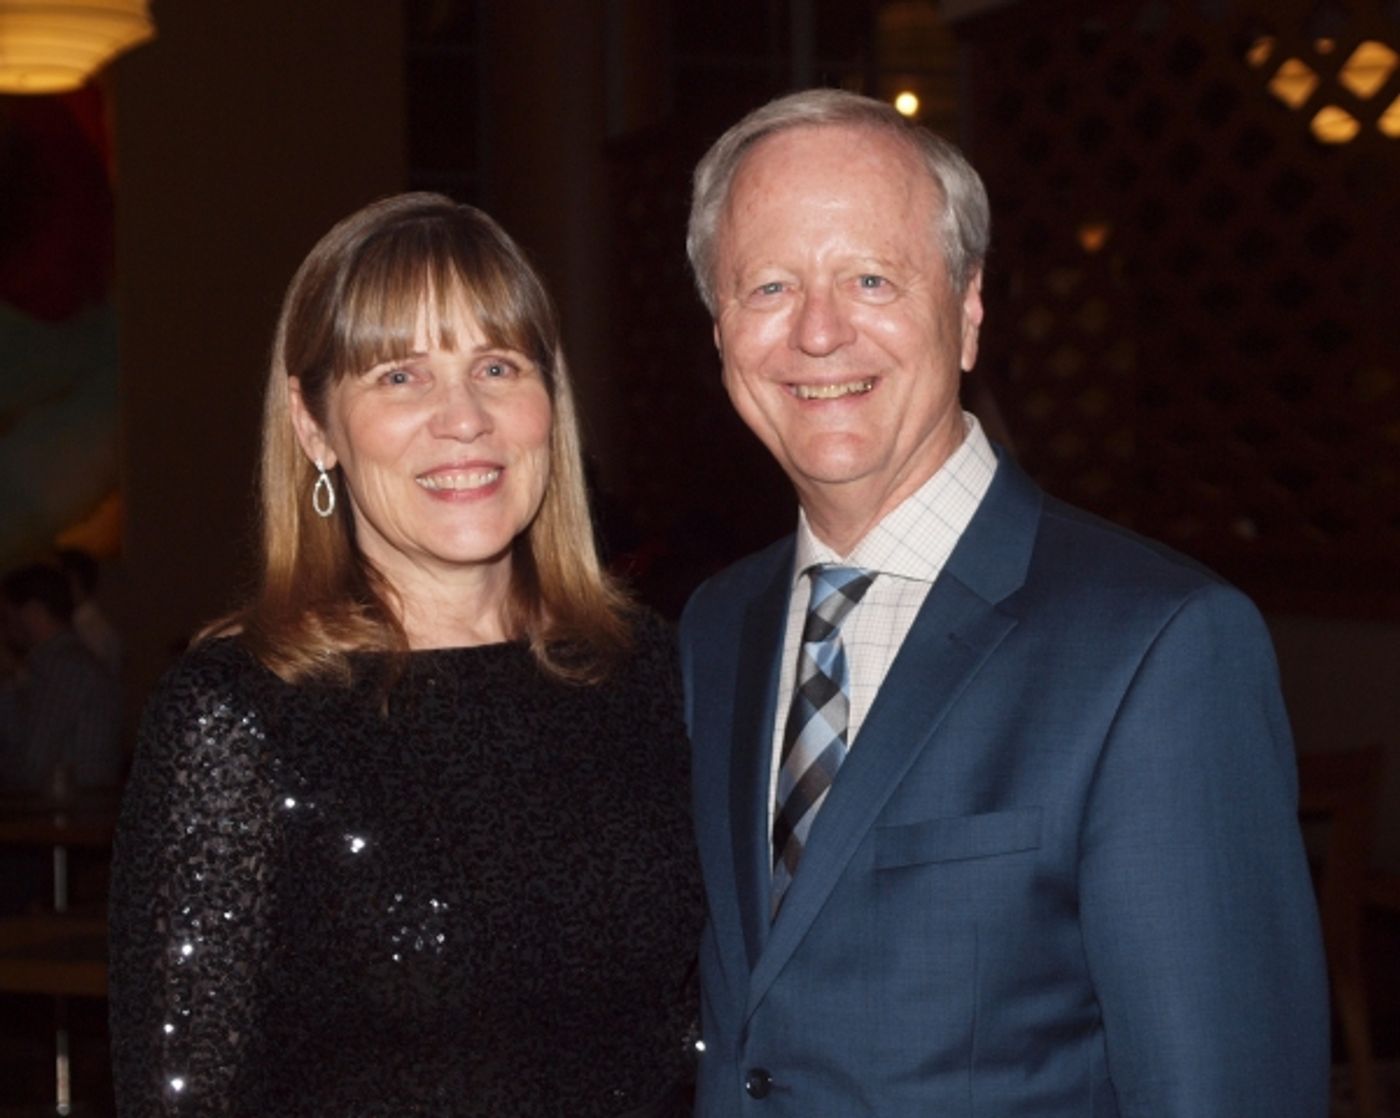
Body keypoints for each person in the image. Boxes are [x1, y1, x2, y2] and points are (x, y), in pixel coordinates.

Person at [678, 89, 1329, 1116]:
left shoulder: (1159, 646)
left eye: (870, 278)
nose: (818, 331)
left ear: (968, 307)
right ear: (720, 330)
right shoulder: (716, 627)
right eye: (768, 285)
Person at [108, 193, 703, 1117]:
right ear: (314, 426)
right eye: (400, 376)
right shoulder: (240, 715)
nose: (463, 418)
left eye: (497, 366)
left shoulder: (652, 672)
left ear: (551, 402)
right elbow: (180, 1095)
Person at [0, 560, 123, 792]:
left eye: (6, 617)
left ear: (33, 612)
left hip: (70, 809)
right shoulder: (58, 666)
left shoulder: (64, 669)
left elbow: (32, 765)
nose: (4, 630)